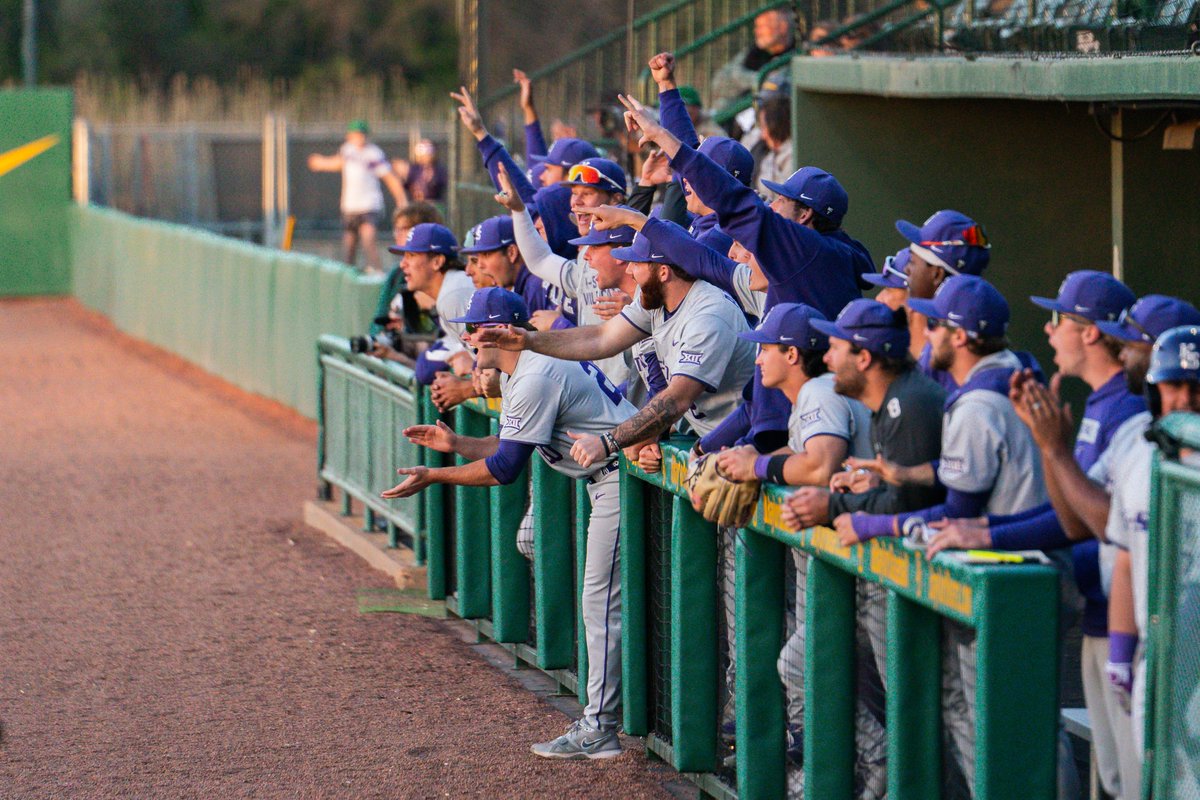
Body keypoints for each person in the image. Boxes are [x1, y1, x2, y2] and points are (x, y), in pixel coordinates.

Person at [381, 287, 640, 760]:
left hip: (621, 479)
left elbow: (504, 470)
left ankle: (600, 729)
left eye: (475, 329)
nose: (468, 338)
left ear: (502, 331)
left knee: (601, 607)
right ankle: (603, 721)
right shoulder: (526, 371)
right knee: (605, 606)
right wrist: (457, 444)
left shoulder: (536, 374)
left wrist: (434, 476)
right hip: (614, 479)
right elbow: (507, 449)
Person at [832, 276, 1047, 793]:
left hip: (1012, 577)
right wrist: (901, 474)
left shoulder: (976, 404)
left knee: (1014, 727)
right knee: (1009, 720)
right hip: (1025, 570)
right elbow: (962, 478)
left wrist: (873, 522)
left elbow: (957, 510)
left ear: (962, 337)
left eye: (935, 324)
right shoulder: (1009, 377)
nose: (924, 333)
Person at [470, 229, 757, 471]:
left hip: (746, 445)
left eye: (636, 264)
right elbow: (601, 338)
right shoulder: (657, 302)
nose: (629, 270)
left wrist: (608, 441)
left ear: (664, 272)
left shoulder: (707, 315)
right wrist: (530, 341)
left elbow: (675, 400)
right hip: (714, 443)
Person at [616, 93, 872, 322]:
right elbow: (706, 256)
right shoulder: (812, 253)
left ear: (805, 215)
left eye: (783, 200)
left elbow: (723, 198)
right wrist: (667, 94)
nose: (773, 204)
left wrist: (662, 135)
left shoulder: (809, 252)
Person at [495, 160, 633, 387]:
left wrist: (641, 303)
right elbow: (539, 260)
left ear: (616, 199)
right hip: (600, 388)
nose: (576, 202)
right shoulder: (585, 255)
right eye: (574, 193)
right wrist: (519, 211)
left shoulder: (636, 247)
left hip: (632, 390)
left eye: (587, 193)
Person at [385, 224, 477, 410]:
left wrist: (472, 372)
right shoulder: (450, 290)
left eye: (411, 256)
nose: (403, 264)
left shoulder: (454, 294)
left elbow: (492, 364)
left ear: (437, 262)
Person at [307, 119, 408, 273]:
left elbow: (389, 177)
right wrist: (321, 163)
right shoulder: (347, 150)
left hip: (369, 204)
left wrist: (401, 200)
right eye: (355, 134)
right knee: (349, 245)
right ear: (349, 136)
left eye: (361, 135)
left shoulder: (373, 153)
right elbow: (338, 163)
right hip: (350, 205)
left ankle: (378, 273)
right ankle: (348, 276)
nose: (359, 138)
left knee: (368, 239)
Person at [370, 202, 444, 338]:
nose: (396, 235)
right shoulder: (396, 274)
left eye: (402, 229)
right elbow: (377, 323)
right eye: (395, 229)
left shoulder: (445, 281)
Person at [710, 8, 796, 116]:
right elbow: (718, 82)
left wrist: (740, 77)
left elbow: (775, 85)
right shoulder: (752, 52)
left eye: (762, 27)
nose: (756, 31)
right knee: (721, 105)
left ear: (783, 27)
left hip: (769, 115)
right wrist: (756, 80)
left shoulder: (795, 54)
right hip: (739, 111)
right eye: (756, 26)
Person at [393, 139, 447, 203]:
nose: (426, 155)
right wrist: (401, 176)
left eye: (428, 151)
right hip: (417, 205)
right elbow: (405, 185)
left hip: (435, 204)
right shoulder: (414, 169)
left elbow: (439, 184)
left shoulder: (439, 170)